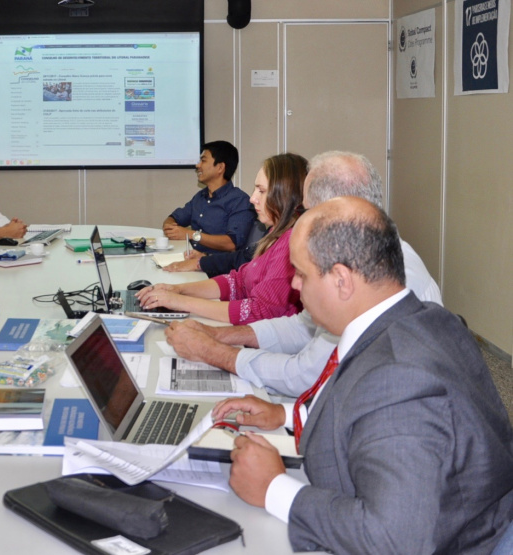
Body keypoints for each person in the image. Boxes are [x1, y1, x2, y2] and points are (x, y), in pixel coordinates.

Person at [212, 196, 513, 553]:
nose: (294, 287)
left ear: (342, 280)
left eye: (302, 274)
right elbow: (368, 408)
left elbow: (394, 540)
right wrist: (287, 416)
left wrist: (274, 488)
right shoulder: (424, 319)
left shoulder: (399, 377)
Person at [165, 151, 443, 396]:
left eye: (308, 210)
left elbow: (305, 374)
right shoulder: (360, 252)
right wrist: (221, 335)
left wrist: (213, 351)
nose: (302, 219)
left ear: (335, 212)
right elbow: (303, 326)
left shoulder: (379, 276)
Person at [137, 153, 305, 324]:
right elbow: (238, 281)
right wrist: (177, 290)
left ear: (285, 195)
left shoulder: (291, 243)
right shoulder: (274, 232)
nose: (252, 198)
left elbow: (259, 311)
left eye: (261, 191)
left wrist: (180, 302)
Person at [162, 141, 256, 270]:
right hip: (192, 260)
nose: (197, 165)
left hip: (217, 269)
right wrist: (170, 227)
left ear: (220, 167)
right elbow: (175, 217)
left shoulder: (239, 201)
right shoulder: (200, 196)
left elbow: (231, 244)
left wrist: (192, 235)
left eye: (203, 161)